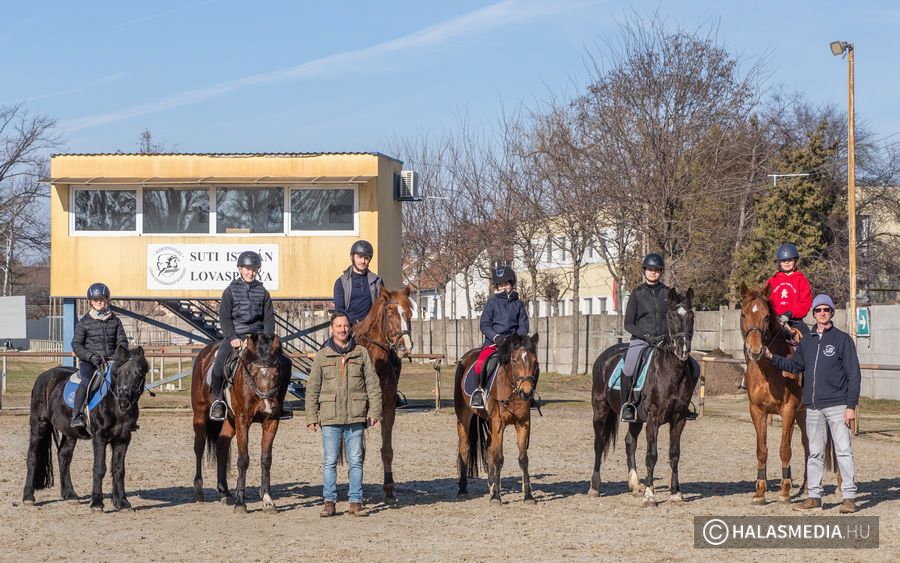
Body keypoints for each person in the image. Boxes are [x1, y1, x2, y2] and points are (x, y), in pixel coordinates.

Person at [764, 294, 860, 514]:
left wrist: (850, 406)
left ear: (832, 312)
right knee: (814, 453)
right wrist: (771, 357)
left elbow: (854, 375)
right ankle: (814, 497)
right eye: (818, 310)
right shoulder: (807, 341)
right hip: (813, 407)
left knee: (843, 451)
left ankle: (849, 497)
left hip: (837, 405)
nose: (822, 313)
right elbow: (795, 366)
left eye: (826, 309)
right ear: (814, 314)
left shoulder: (843, 340)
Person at [306, 312, 382, 517]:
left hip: (355, 416)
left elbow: (372, 384)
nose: (342, 329)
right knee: (330, 461)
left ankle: (355, 501)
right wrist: (311, 416)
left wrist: (375, 411)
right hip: (330, 417)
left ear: (350, 328)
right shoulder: (322, 355)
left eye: (346, 326)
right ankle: (329, 502)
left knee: (355, 461)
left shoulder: (361, 353)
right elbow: (312, 388)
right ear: (332, 329)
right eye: (338, 326)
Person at [209, 251, 275, 421]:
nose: (250, 272)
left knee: (282, 362)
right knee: (219, 363)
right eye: (247, 269)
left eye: (254, 269)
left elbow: (268, 319)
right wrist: (232, 337)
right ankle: (217, 400)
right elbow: (224, 318)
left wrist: (267, 340)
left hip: (258, 338)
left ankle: (278, 399)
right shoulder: (229, 291)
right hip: (235, 335)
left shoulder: (263, 292)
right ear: (239, 269)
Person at [739, 242, 813, 390]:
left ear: (795, 260)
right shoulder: (773, 280)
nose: (787, 262)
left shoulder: (801, 279)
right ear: (779, 262)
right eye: (783, 260)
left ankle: (809, 377)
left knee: (809, 341)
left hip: (794, 320)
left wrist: (790, 313)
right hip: (774, 319)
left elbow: (806, 302)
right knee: (754, 339)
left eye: (789, 259)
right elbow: (766, 301)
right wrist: (774, 315)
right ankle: (749, 373)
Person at [469, 265, 529, 410]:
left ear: (512, 284)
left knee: (532, 364)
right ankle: (479, 392)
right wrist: (496, 337)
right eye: (500, 285)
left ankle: (529, 394)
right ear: (497, 286)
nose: (503, 287)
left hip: (513, 344)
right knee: (481, 364)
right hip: (494, 343)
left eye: (506, 284)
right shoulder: (492, 303)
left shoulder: (519, 304)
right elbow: (484, 324)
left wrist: (515, 339)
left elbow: (524, 326)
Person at [70, 283, 128, 428]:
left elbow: (122, 341)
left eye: (101, 299)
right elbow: (76, 345)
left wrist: (118, 355)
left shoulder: (115, 321)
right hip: (90, 362)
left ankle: (128, 415)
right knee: (86, 382)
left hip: (112, 361)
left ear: (107, 300)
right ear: (91, 302)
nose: (99, 302)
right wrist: (90, 357)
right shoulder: (84, 322)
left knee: (127, 382)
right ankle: (76, 415)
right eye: (96, 300)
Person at [620, 253, 670, 423]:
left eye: (656, 269)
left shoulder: (668, 293)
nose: (653, 272)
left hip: (664, 341)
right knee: (629, 367)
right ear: (644, 270)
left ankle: (683, 404)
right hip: (641, 340)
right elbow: (628, 323)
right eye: (649, 269)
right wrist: (646, 336)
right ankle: (627, 405)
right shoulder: (637, 294)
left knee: (692, 366)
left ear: (661, 272)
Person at [333, 240, 384, 327]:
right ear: (352, 257)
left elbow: (382, 307)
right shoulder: (341, 282)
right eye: (359, 257)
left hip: (371, 328)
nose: (363, 261)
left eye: (366, 258)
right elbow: (339, 311)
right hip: (349, 327)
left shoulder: (377, 281)